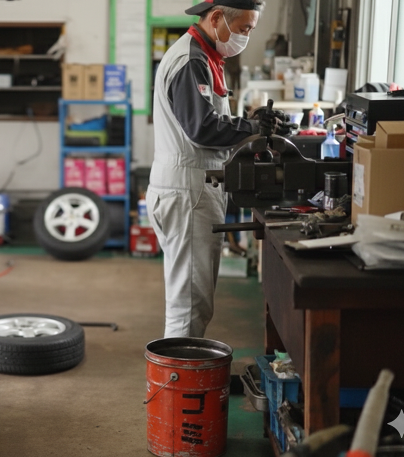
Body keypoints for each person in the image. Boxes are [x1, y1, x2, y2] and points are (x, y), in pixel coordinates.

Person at [148, 0, 287, 338]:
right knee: (189, 305)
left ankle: (179, 383)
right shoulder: (190, 61)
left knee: (191, 299)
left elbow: (207, 120)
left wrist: (250, 121)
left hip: (188, 189)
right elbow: (203, 128)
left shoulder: (204, 56)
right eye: (244, 29)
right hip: (188, 194)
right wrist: (251, 128)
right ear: (215, 18)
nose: (247, 37)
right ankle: (176, 387)